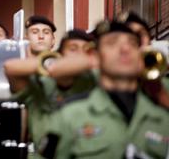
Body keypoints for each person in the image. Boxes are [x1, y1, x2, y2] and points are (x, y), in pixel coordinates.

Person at [39, 21, 169, 158]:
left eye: (132, 43)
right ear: (95, 56)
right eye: (112, 43)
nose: (125, 49)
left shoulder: (162, 115)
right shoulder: (69, 115)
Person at [4, 28, 96, 149]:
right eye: (73, 49)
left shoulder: (94, 81)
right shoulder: (42, 84)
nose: (80, 54)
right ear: (60, 54)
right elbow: (11, 67)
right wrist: (50, 64)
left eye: (86, 50)